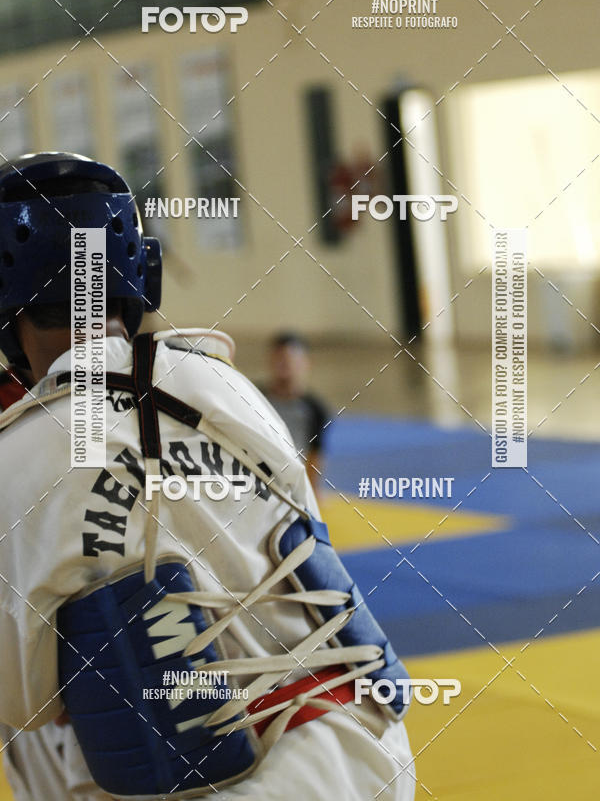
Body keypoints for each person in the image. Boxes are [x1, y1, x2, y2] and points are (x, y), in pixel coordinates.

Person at [0, 152, 415, 801]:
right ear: (139, 271)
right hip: (371, 756)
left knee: (42, 717)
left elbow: (22, 702)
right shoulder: (233, 386)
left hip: (223, 788)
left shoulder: (17, 458)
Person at [262, 333, 329, 498]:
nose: (285, 365)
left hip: (292, 484)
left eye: (291, 360)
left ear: (307, 363)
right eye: (279, 359)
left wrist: (312, 493)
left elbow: (315, 454)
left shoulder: (315, 409)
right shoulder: (255, 397)